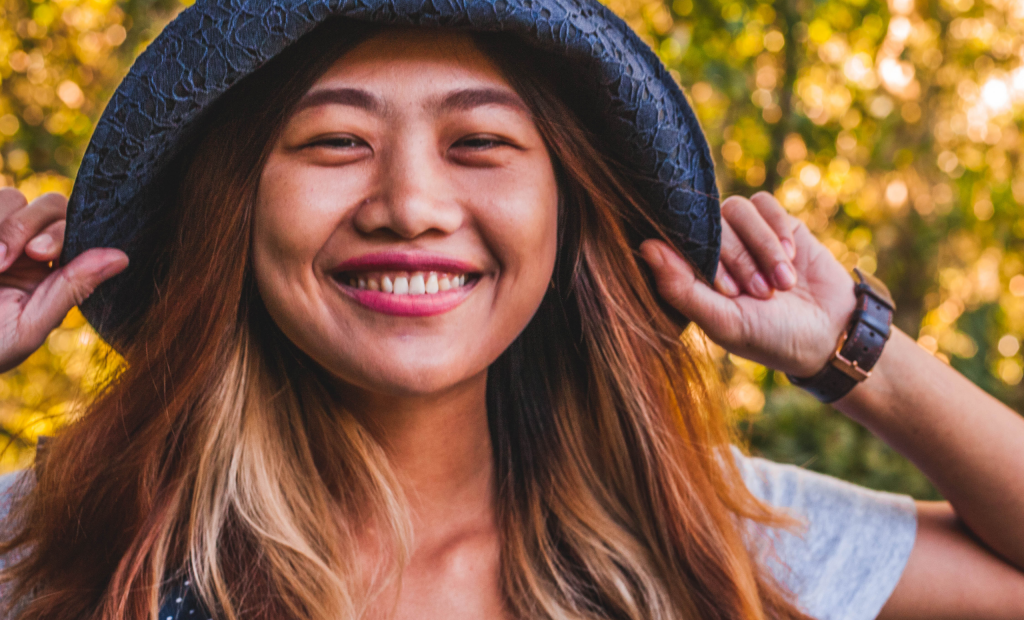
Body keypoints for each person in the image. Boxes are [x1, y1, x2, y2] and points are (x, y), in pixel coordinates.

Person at [0, 4, 1022, 620]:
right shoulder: (72, 535)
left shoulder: (695, 534)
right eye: (334, 142)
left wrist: (851, 345)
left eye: (480, 143)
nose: (410, 203)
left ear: (564, 211)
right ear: (235, 205)